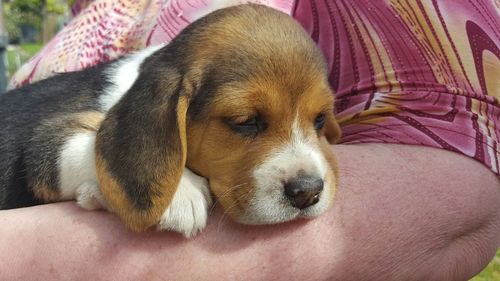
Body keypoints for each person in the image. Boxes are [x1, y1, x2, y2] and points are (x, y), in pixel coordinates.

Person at [2, 0, 499, 280]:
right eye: (246, 122)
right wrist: (136, 177)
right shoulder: (144, 101)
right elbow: (47, 152)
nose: (306, 173)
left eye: (318, 118)